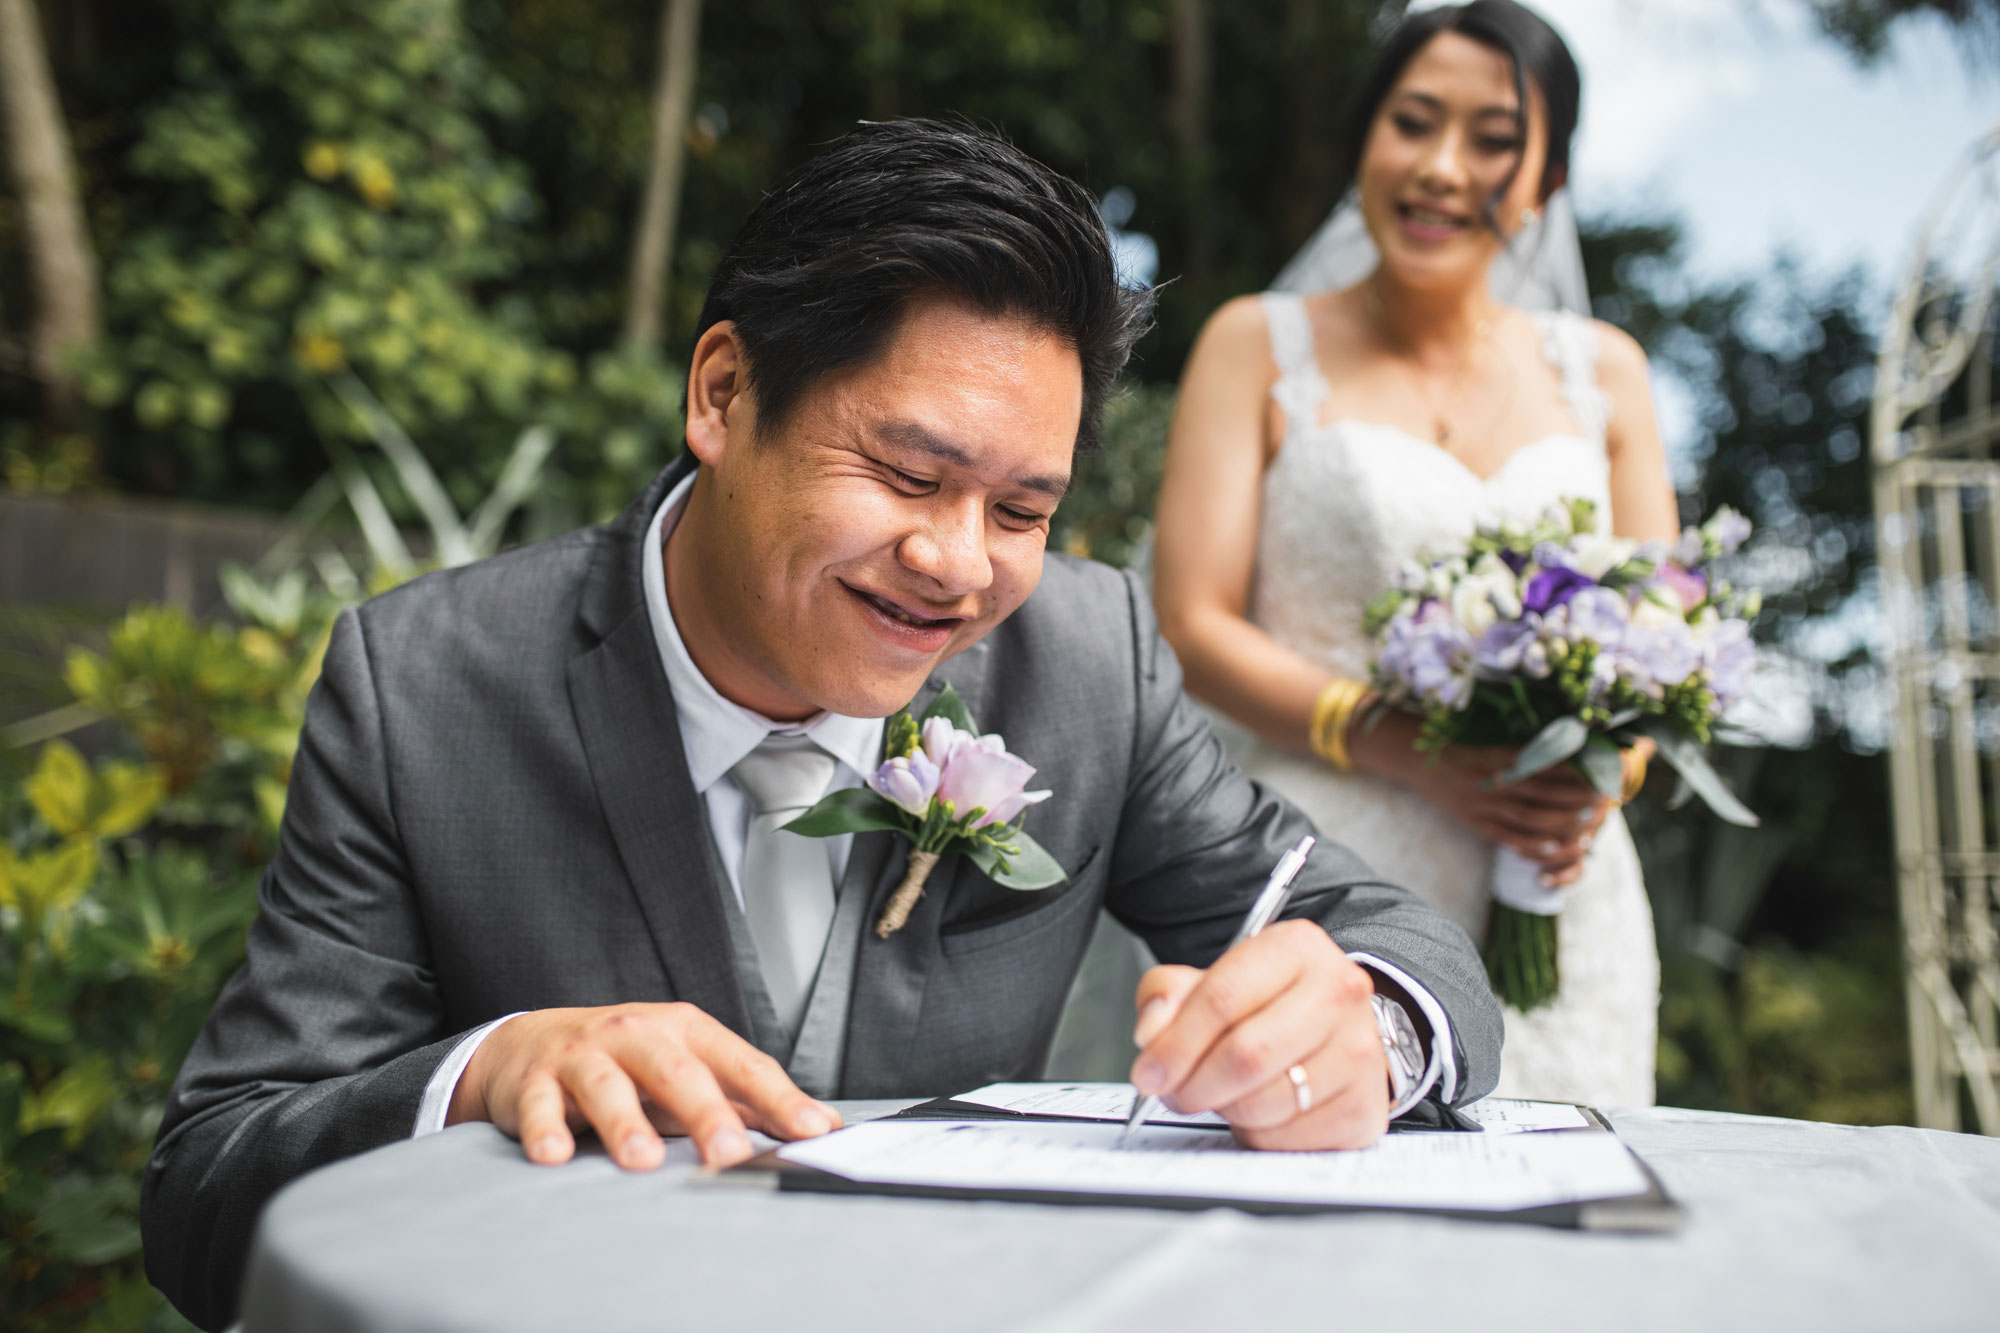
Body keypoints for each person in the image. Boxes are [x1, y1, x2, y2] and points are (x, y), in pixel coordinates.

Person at [141, 120, 1502, 1331]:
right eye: (910, 473)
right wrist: (482, 1075)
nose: (960, 565)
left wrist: (1367, 1023)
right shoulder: (421, 686)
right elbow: (205, 1197)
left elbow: (1394, 936)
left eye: (1022, 511)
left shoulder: (1091, 659)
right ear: (724, 395)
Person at [1151, 0, 1677, 1109]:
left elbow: (1660, 655)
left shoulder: (1608, 374)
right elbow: (1192, 627)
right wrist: (1409, 750)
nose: (1441, 168)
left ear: (1548, 179)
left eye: (1491, 138)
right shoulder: (1255, 343)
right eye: (1412, 121)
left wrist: (1591, 782)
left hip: (1557, 887)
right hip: (1325, 860)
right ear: (1365, 141)